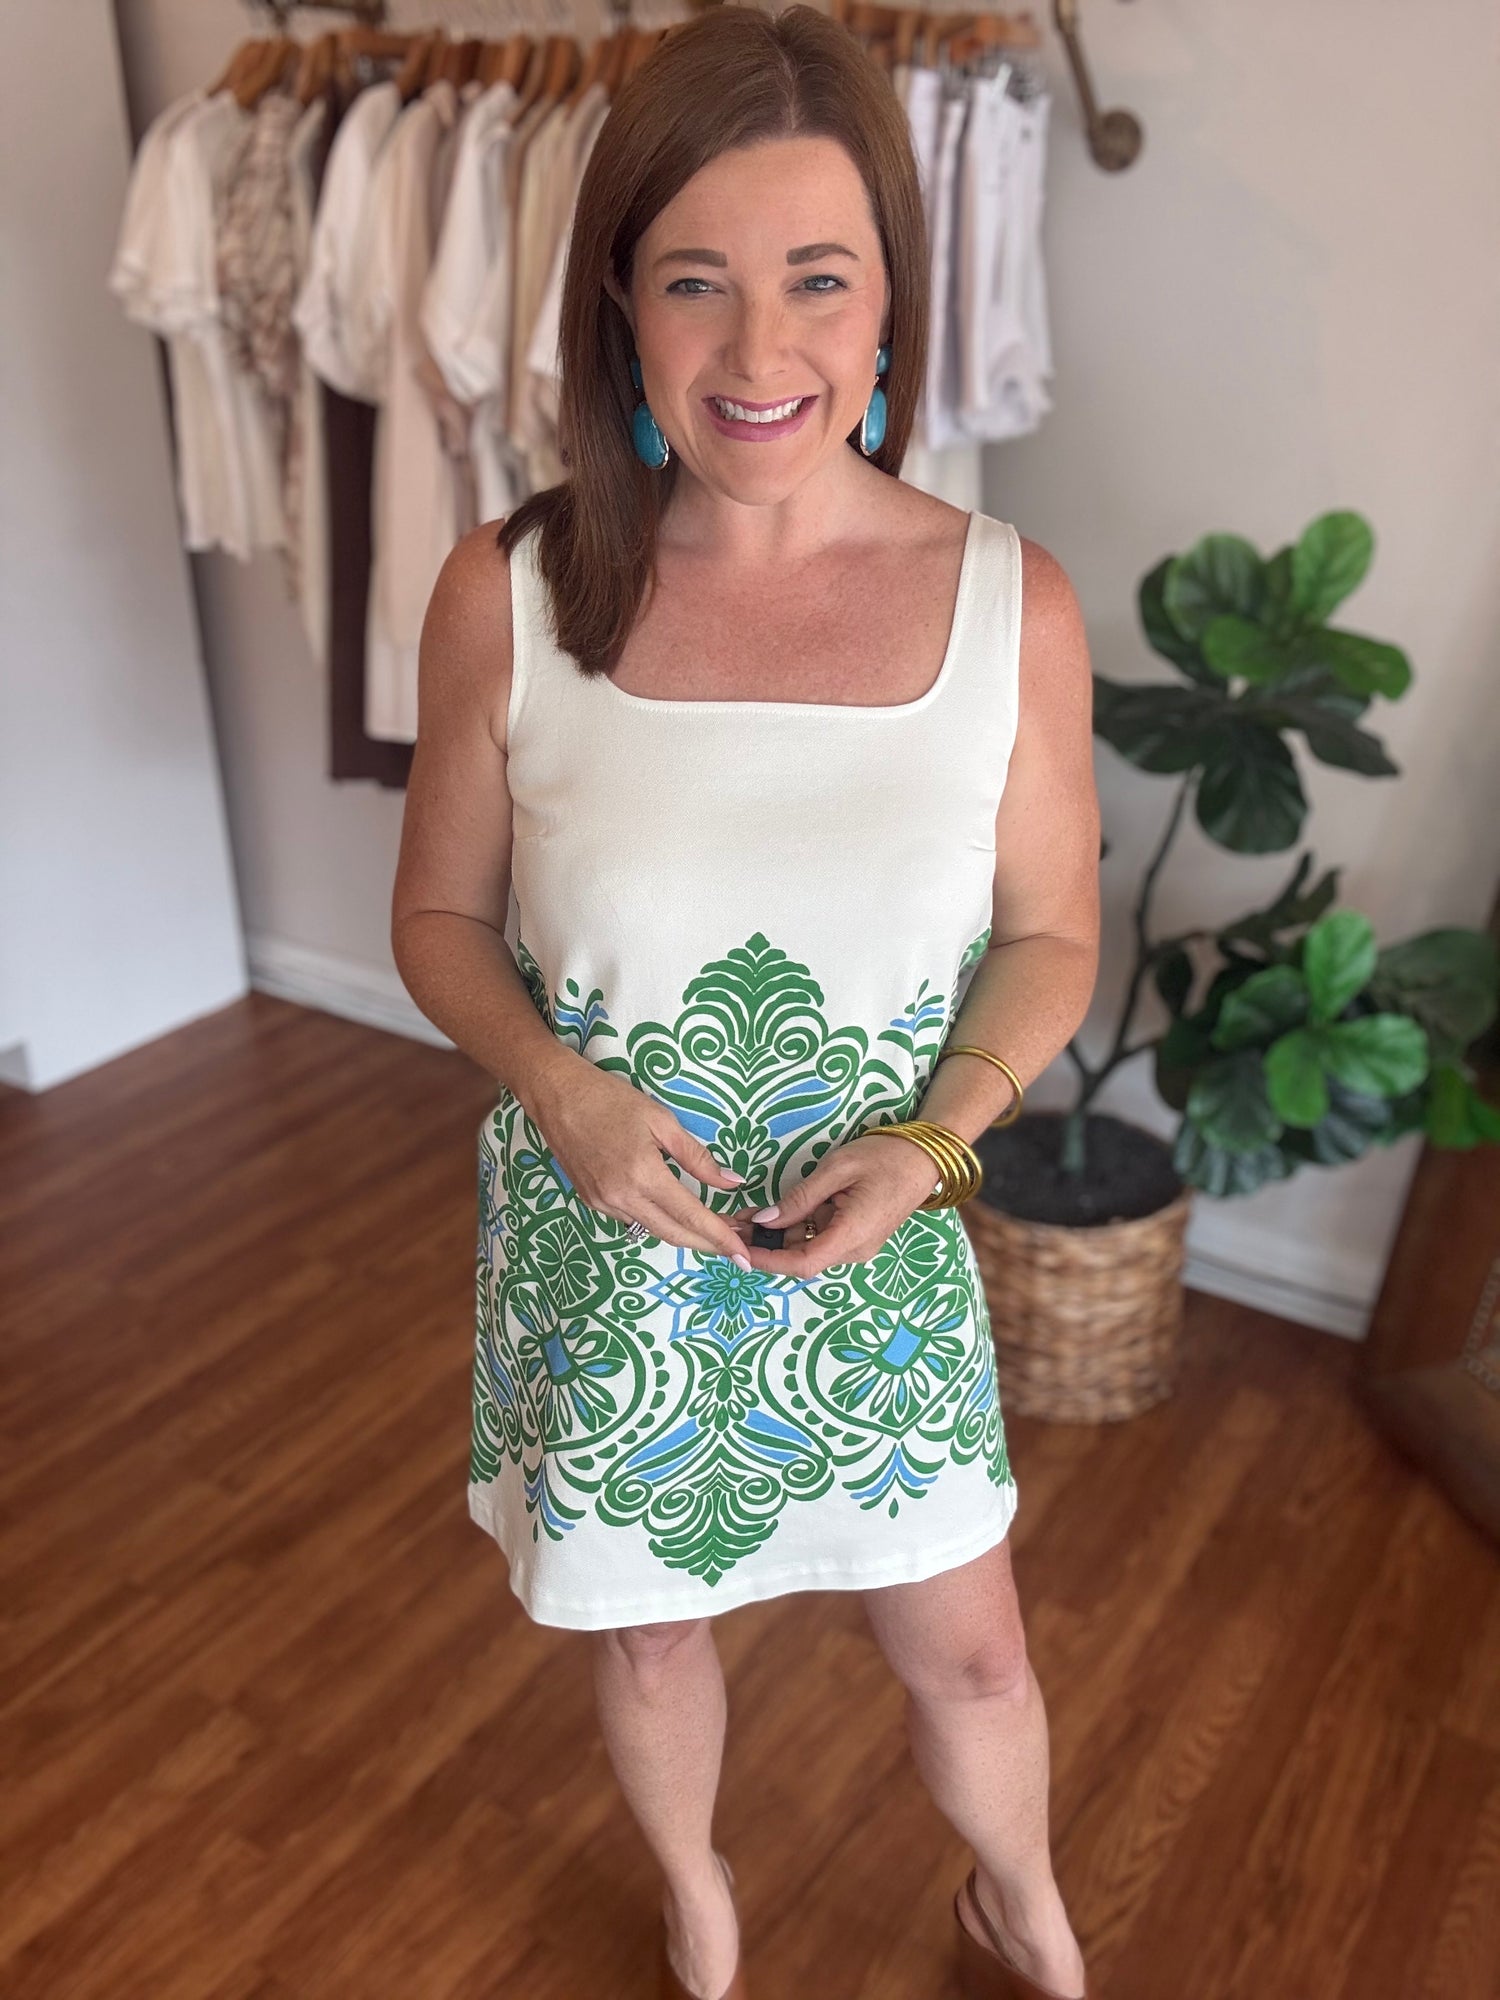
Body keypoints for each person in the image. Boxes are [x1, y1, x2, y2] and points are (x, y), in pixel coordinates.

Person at [391, 9, 1100, 1998]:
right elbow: (436, 917)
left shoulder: (1011, 605)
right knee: (648, 1638)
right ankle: (696, 1891)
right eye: (696, 279)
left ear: (894, 301)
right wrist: (559, 1090)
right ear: (620, 300)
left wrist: (941, 1137)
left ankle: (1021, 1899)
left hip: (881, 1240)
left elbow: (1054, 937)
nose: (759, 348)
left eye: (819, 278)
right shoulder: (510, 592)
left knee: (976, 1648)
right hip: (612, 1236)